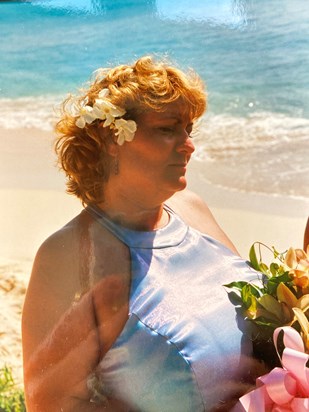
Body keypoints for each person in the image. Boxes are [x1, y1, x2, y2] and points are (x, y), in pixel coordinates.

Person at [22, 56, 265, 412]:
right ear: (110, 139)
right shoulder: (68, 254)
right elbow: (50, 404)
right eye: (168, 129)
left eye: (189, 129)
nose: (188, 144)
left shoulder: (191, 208)